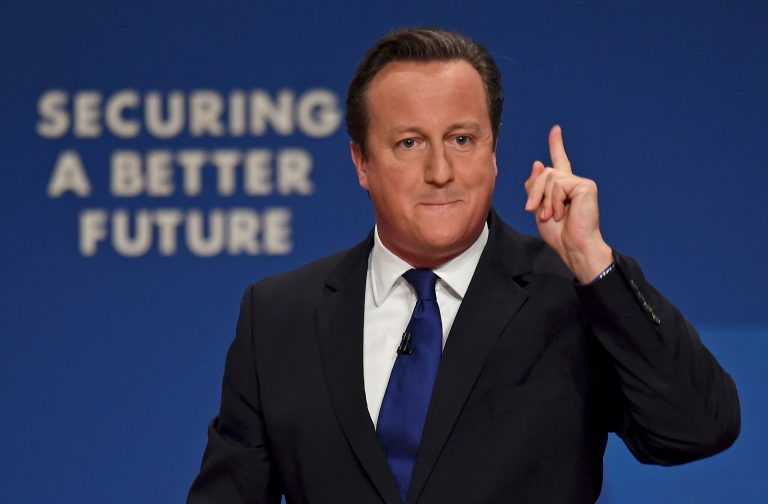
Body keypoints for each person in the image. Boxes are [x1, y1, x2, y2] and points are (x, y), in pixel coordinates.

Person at [187, 27, 739, 504]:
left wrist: (594, 263)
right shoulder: (280, 315)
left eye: (461, 139)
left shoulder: (570, 294)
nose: (440, 171)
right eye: (409, 142)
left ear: (493, 150)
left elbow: (698, 429)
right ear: (361, 161)